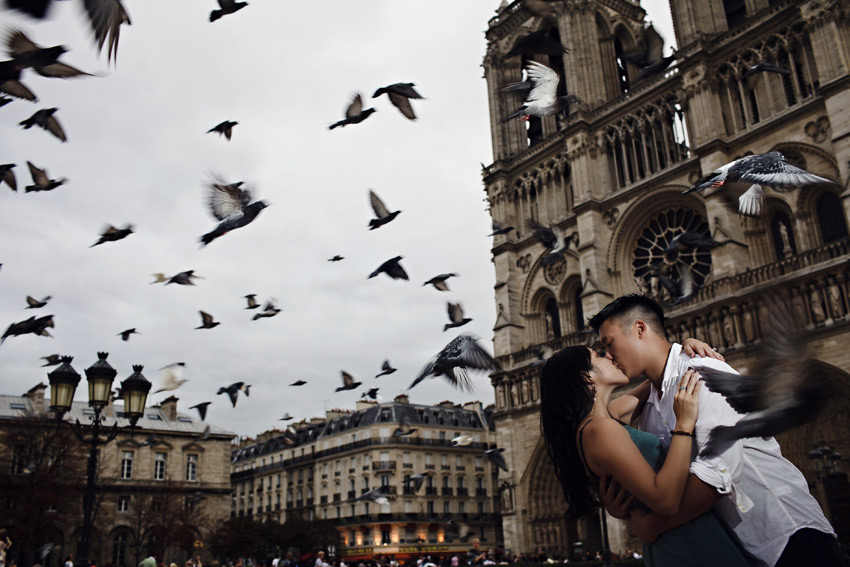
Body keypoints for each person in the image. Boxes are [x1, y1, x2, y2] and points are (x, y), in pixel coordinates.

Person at [589, 293, 843, 567]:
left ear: (640, 328)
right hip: (741, 550)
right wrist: (623, 510)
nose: (608, 356)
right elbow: (658, 484)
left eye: (609, 343)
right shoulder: (650, 408)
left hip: (786, 536)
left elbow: (718, 476)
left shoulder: (702, 373)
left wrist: (655, 525)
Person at [540, 337, 749, 567]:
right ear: (586, 376)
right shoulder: (599, 430)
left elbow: (659, 375)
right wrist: (684, 424)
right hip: (688, 547)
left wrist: (681, 350)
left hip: (682, 538)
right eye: (598, 356)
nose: (609, 356)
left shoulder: (605, 419)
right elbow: (666, 499)